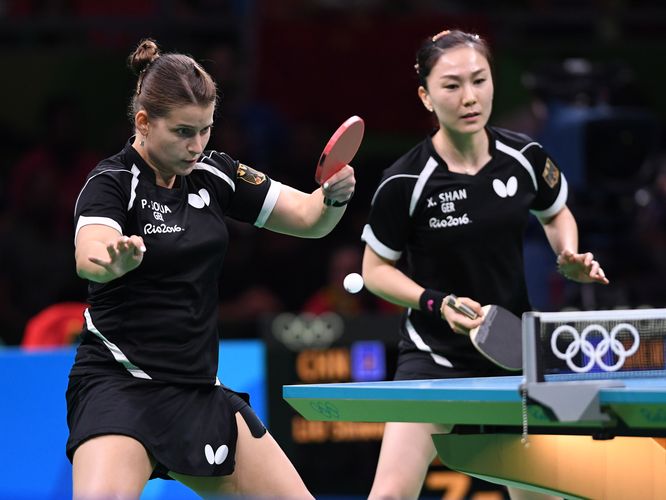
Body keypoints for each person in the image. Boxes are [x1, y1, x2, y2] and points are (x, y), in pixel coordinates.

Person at [66, 38, 355, 498]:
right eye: (183, 132)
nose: (196, 145)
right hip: (120, 385)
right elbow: (90, 253)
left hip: (197, 389)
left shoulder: (213, 173)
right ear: (143, 122)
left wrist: (334, 196)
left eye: (206, 130)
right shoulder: (112, 182)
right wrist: (111, 261)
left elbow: (309, 218)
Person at [360, 29, 608, 500]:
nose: (469, 97)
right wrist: (436, 303)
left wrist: (567, 254)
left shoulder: (524, 157)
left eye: (479, 80)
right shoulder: (405, 181)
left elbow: (555, 211)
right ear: (426, 96)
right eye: (451, 86)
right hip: (433, 357)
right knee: (390, 494)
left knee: (538, 494)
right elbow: (375, 271)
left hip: (513, 354)